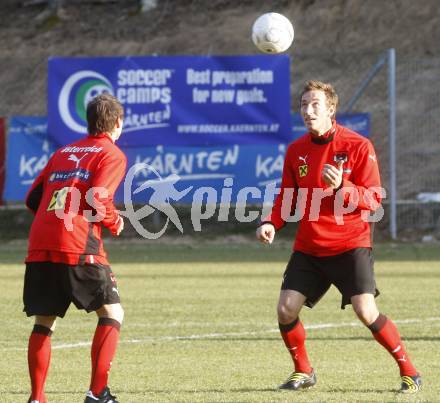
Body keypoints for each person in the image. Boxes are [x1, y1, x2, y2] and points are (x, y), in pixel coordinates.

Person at [256, 80, 421, 393]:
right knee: (285, 308)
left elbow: (373, 200)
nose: (308, 110)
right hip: (309, 246)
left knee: (366, 311)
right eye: (304, 105)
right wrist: (271, 223)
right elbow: (287, 197)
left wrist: (343, 188)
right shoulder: (296, 151)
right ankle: (303, 371)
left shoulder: (358, 145)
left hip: (350, 245)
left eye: (315, 104)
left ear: (331, 109)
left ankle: (409, 371)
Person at [23, 93, 126, 403]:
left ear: (89, 120)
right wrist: (113, 221)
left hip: (40, 243)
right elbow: (98, 196)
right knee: (112, 313)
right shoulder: (111, 154)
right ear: (117, 123)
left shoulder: (63, 152)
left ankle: (37, 398)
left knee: (44, 320)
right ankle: (97, 394)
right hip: (77, 243)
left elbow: (32, 198)